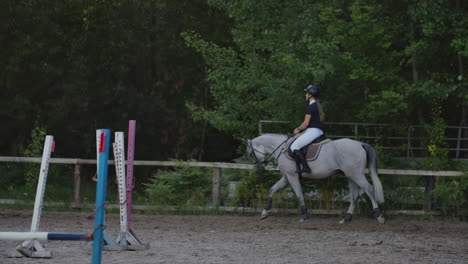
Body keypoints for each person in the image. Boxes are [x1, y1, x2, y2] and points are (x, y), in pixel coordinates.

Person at [290, 85, 325, 174]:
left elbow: (305, 123)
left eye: (307, 93)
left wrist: (297, 129)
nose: (305, 95)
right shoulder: (317, 105)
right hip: (317, 131)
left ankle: (306, 168)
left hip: (313, 131)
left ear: (310, 95)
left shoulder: (311, 107)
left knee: (294, 146)